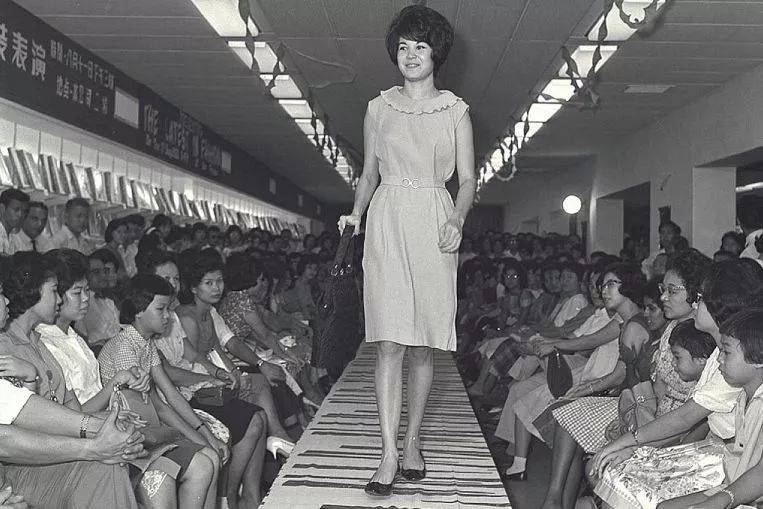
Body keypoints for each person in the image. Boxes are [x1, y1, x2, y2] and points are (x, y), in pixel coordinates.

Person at [337, 4, 476, 496]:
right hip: (388, 217)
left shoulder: (456, 111)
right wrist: (356, 214)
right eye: (403, 46)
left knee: (422, 344)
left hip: (435, 220)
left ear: (437, 53)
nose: (411, 55)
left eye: (420, 46)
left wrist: (457, 220)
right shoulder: (379, 108)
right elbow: (368, 174)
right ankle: (388, 452)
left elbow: (467, 179)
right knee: (388, 341)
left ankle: (413, 439)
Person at [0, 252, 142, 508]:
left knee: (114, 459)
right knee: (106, 465)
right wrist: (97, 438)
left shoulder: (40, 343)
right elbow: (15, 431)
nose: (59, 299)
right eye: (55, 291)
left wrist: (107, 426)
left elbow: (68, 412)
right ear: (32, 292)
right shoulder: (6, 348)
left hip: (51, 452)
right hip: (25, 466)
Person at [141, 250, 270, 509]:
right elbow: (169, 374)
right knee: (252, 419)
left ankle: (248, 495)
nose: (172, 285)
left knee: (258, 415)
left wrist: (218, 373)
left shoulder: (171, 315)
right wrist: (209, 379)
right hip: (179, 397)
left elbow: (193, 354)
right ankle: (229, 495)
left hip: (190, 390)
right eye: (165, 279)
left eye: (176, 279)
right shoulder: (155, 321)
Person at [99, 274, 227, 509]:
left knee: (211, 456)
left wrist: (207, 438)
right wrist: (202, 440)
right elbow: (156, 407)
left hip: (147, 429)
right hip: (132, 435)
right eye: (161, 309)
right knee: (206, 460)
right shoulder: (124, 346)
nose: (168, 315)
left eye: (168, 308)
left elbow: (171, 396)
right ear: (139, 311)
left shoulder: (145, 343)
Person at [658, 309, 763, 509]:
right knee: (664, 507)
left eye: (727, 352)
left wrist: (720, 500)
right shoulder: (743, 396)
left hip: (748, 497)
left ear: (757, 359)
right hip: (731, 487)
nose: (718, 359)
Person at [0, 189, 29, 255]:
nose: (20, 215)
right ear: (2, 208)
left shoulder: (15, 237)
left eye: (23, 211)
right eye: (16, 210)